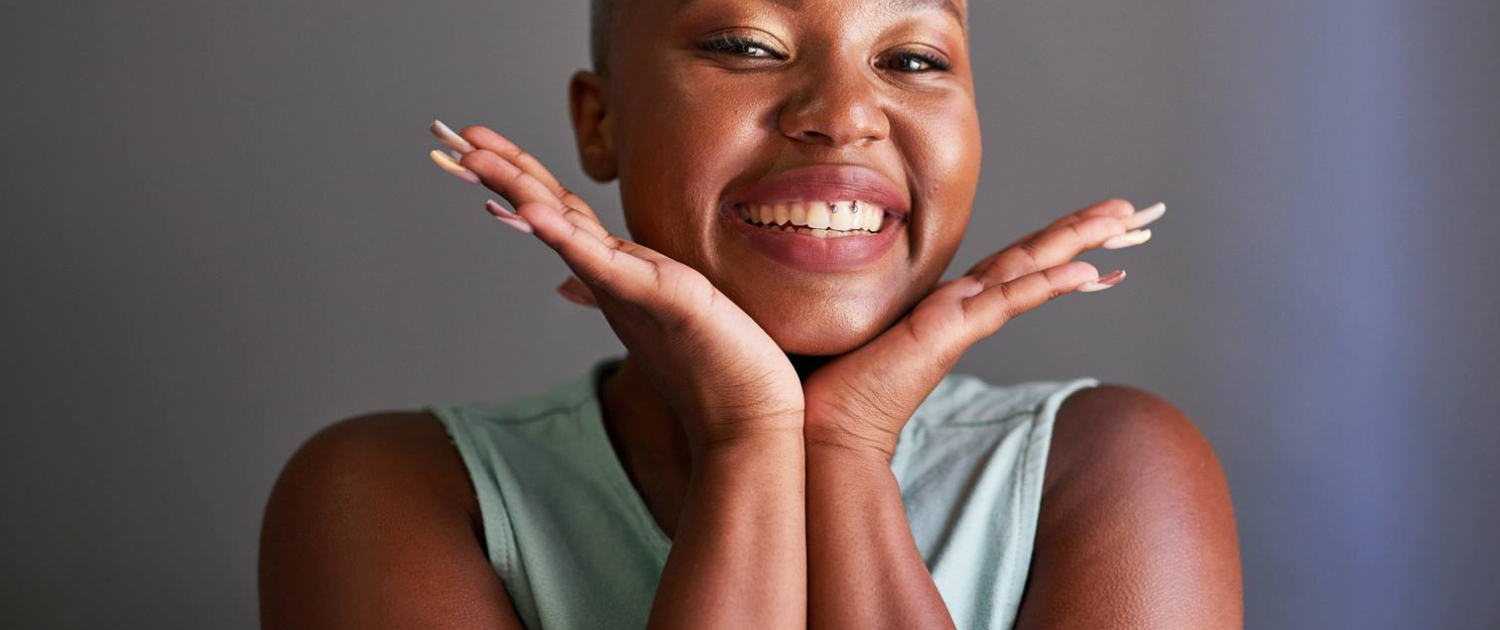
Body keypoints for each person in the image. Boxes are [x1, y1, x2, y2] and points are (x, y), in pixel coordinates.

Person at [258, 0, 1242, 627]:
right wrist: (750, 439)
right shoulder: (397, 495)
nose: (844, 110)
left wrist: (845, 448)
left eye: (912, 58)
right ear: (598, 121)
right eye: (745, 45)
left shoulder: (1115, 471)